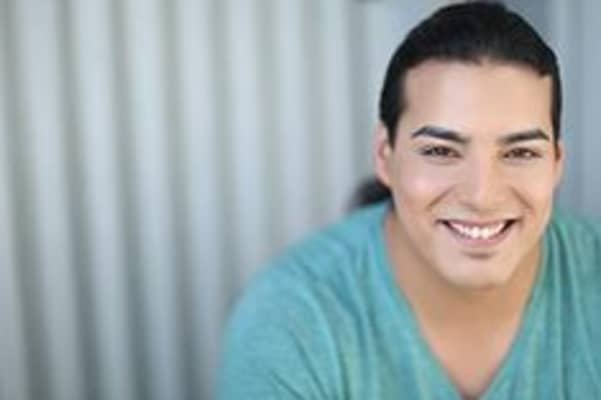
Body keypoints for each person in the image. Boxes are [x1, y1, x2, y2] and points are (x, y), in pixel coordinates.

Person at [218, 2, 601, 399]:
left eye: (520, 152)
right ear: (386, 157)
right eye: (440, 151)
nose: (482, 196)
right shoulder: (290, 317)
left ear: (556, 163)